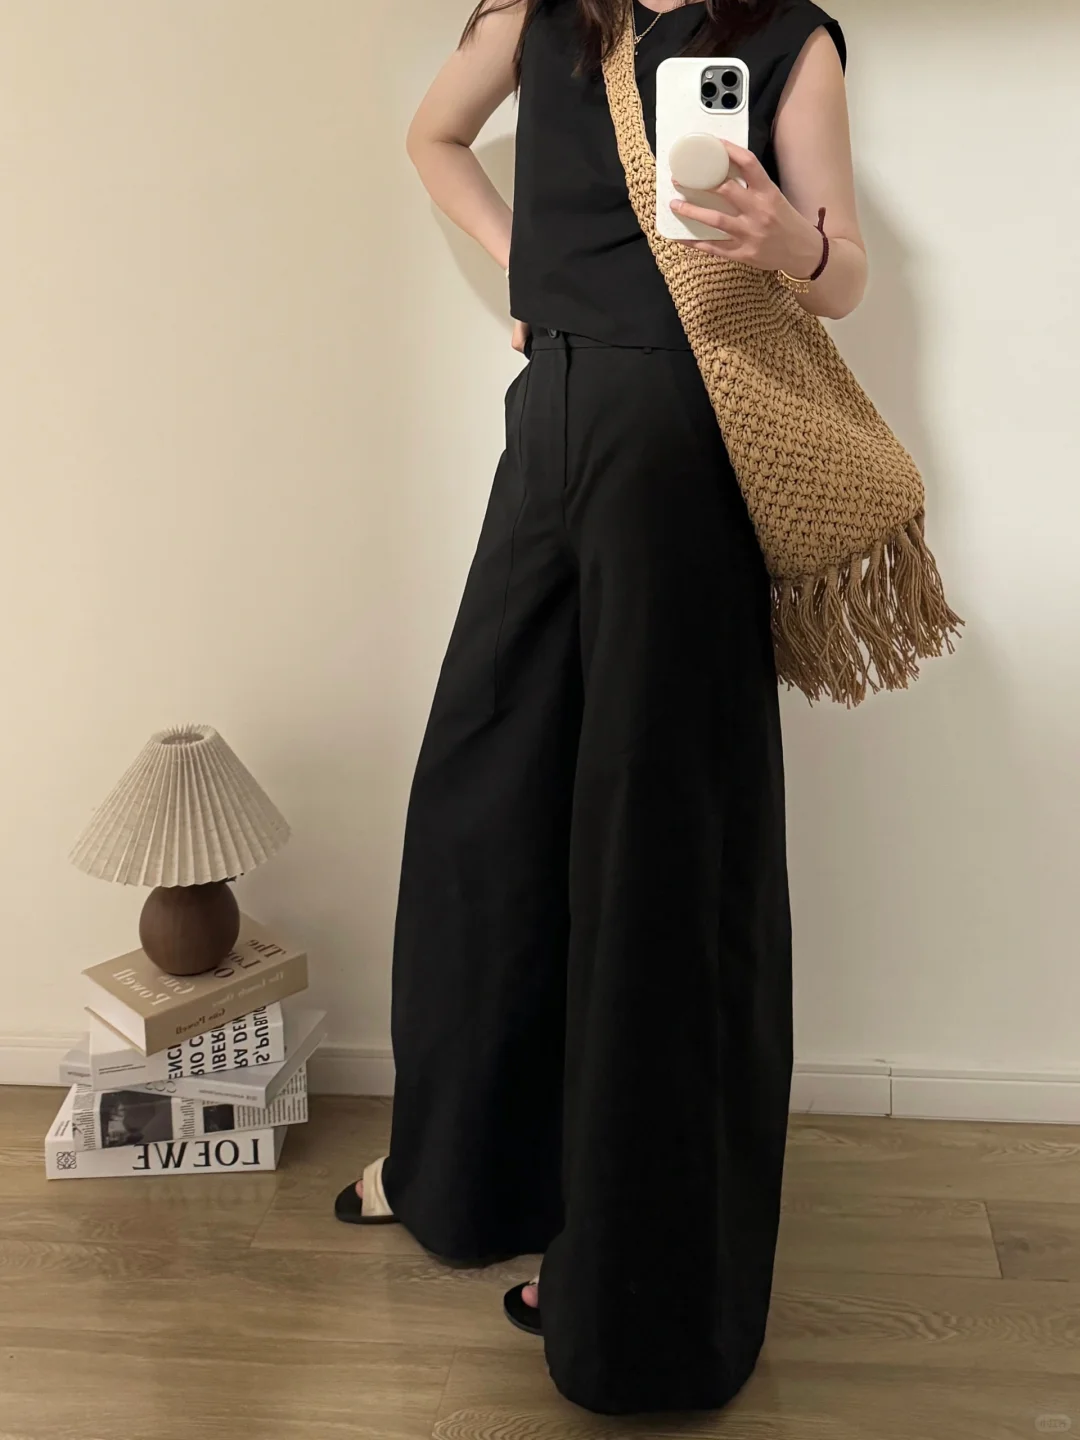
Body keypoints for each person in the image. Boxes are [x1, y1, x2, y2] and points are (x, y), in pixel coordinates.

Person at [335, 0, 865, 1415]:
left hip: (685, 451)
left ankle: (638, 1293)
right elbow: (433, 136)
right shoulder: (548, 14)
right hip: (550, 438)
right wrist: (526, 262)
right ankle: (470, 1170)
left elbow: (847, 274)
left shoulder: (788, 39)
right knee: (485, 809)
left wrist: (786, 242)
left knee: (657, 863)